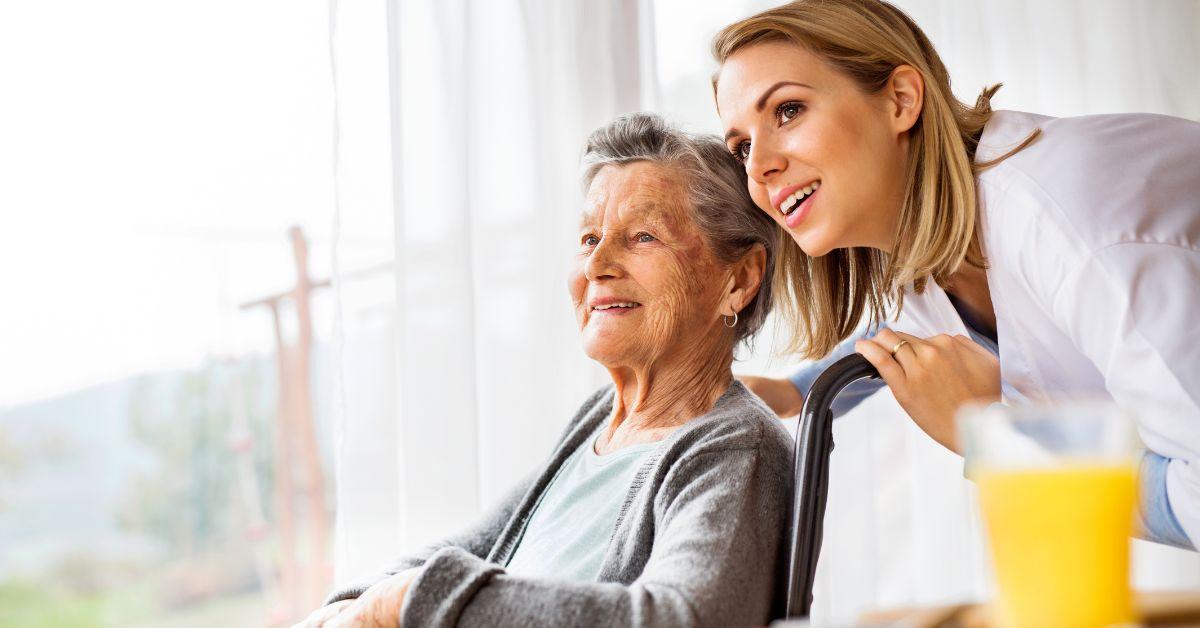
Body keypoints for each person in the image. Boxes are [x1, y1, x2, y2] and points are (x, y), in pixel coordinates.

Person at [714, 0, 1200, 550]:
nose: (757, 168)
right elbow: (903, 332)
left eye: (788, 110)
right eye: (743, 146)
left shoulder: (1070, 220)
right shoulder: (930, 249)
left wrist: (992, 438)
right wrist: (794, 391)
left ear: (900, 99)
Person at [293, 112, 792, 628]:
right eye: (589, 238)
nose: (598, 265)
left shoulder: (733, 448)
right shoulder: (602, 421)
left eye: (643, 236)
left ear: (739, 278)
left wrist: (403, 603)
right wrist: (345, 608)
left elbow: (684, 618)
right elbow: (473, 547)